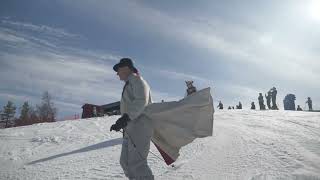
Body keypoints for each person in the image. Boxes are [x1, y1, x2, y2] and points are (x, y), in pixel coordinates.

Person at [110, 58, 154, 179]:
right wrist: (121, 123)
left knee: (137, 164)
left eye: (118, 69)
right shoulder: (130, 83)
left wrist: (126, 118)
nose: (117, 73)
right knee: (125, 162)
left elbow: (141, 101)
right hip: (129, 130)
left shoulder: (137, 79)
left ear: (126, 68)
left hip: (140, 128)